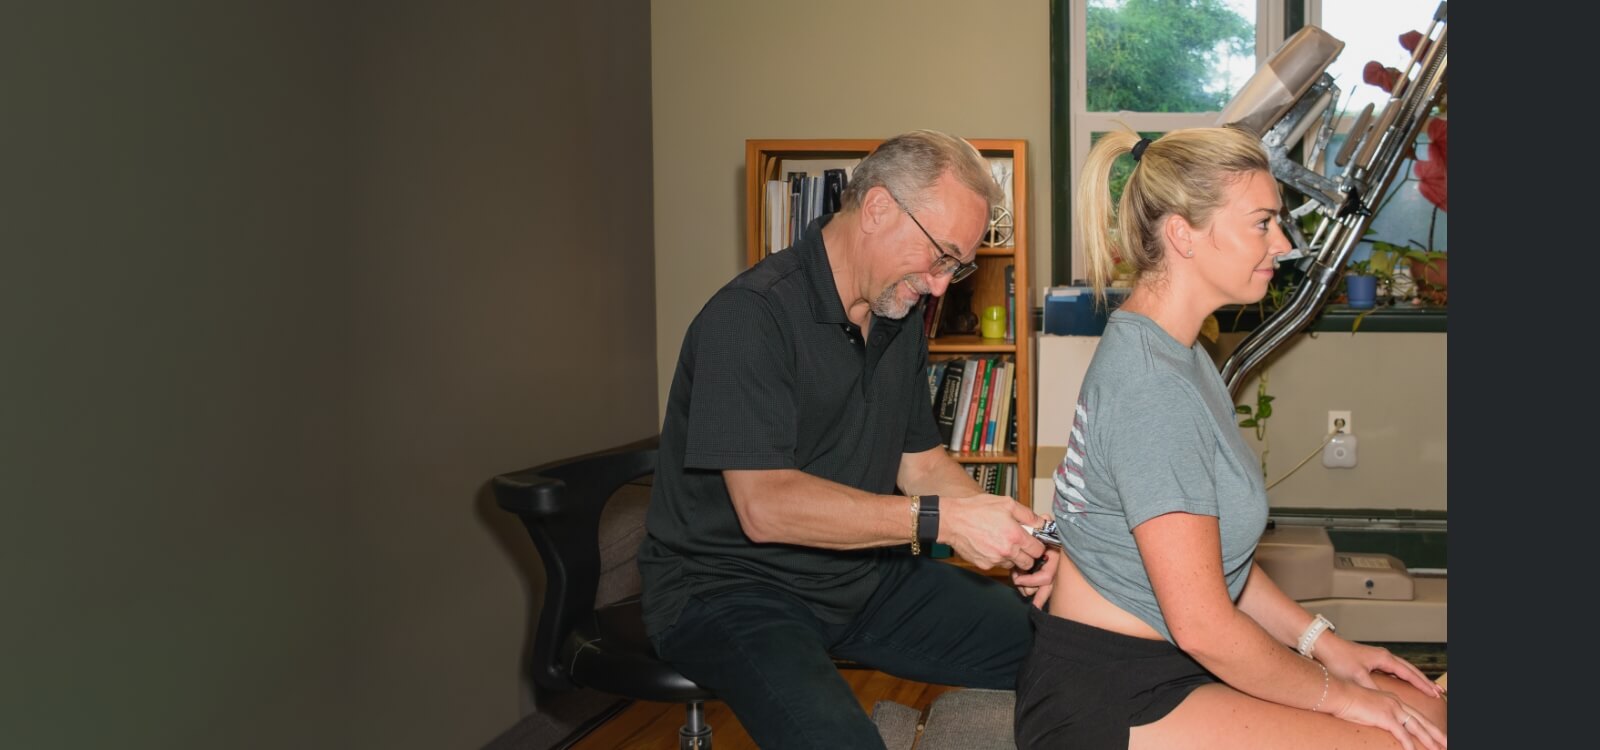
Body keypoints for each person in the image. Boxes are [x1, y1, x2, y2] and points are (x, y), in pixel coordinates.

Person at [1013, 127, 1448, 750]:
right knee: (1398, 739)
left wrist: (1326, 646)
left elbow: (1213, 566)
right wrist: (1343, 698)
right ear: (1184, 234)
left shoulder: (1180, 353)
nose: (1282, 244)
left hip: (1173, 657)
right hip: (1109, 694)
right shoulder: (1150, 388)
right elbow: (1205, 624)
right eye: (1264, 223)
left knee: (1424, 709)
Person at [638, 129, 1060, 749]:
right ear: (879, 207)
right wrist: (940, 522)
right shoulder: (749, 317)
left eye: (958, 266)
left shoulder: (898, 313)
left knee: (1067, 655)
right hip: (731, 589)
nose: (942, 285)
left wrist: (1013, 531)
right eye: (940, 255)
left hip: (856, 576)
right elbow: (766, 507)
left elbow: (921, 465)